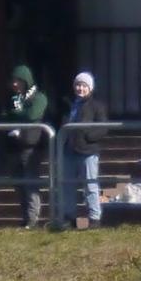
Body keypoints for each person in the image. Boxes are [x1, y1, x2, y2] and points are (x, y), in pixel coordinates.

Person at [9, 0, 72, 104]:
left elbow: (66, 19)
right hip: (32, 43)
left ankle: (60, 110)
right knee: (34, 81)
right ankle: (36, 111)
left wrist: (57, 38)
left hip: (53, 44)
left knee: (58, 81)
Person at [0, 64, 50, 229]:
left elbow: (33, 115)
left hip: (31, 147)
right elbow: (3, 117)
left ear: (26, 81)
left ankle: (32, 219)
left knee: (30, 183)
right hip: (13, 147)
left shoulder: (39, 97)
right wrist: (14, 116)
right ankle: (25, 217)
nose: (15, 84)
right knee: (19, 184)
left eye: (19, 81)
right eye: (13, 80)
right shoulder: (10, 99)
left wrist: (15, 115)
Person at [57, 71, 108, 229]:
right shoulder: (69, 105)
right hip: (69, 150)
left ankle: (94, 218)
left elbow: (103, 127)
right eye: (78, 85)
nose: (80, 88)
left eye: (84, 85)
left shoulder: (97, 106)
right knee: (68, 185)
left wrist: (88, 136)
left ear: (90, 88)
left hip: (88, 151)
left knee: (90, 185)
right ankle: (69, 217)